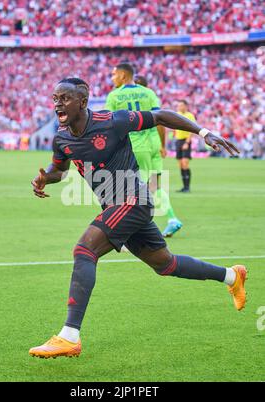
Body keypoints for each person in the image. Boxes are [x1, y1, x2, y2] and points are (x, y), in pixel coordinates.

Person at [29, 77, 246, 360]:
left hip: (134, 199)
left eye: (65, 98)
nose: (58, 103)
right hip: (116, 207)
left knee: (85, 249)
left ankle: (69, 336)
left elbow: (159, 116)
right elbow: (60, 169)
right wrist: (46, 177)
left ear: (82, 101)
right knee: (165, 264)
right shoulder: (62, 137)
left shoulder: (113, 121)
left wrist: (203, 132)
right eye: (55, 98)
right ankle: (232, 276)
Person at [105, 63, 182, 238]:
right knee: (154, 185)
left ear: (123, 76)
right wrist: (162, 145)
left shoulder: (115, 96)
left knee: (130, 189)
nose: (112, 78)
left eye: (113, 74)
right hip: (154, 142)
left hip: (136, 146)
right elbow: (161, 119)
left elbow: (109, 124)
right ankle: (171, 219)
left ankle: (126, 232)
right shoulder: (149, 93)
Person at [175, 100, 196, 192]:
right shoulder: (177, 114)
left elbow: (192, 130)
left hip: (185, 141)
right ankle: (184, 187)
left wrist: (187, 142)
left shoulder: (190, 115)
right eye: (178, 105)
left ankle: (187, 187)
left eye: (181, 105)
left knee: (185, 163)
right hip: (178, 141)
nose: (179, 107)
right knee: (180, 165)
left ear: (186, 106)